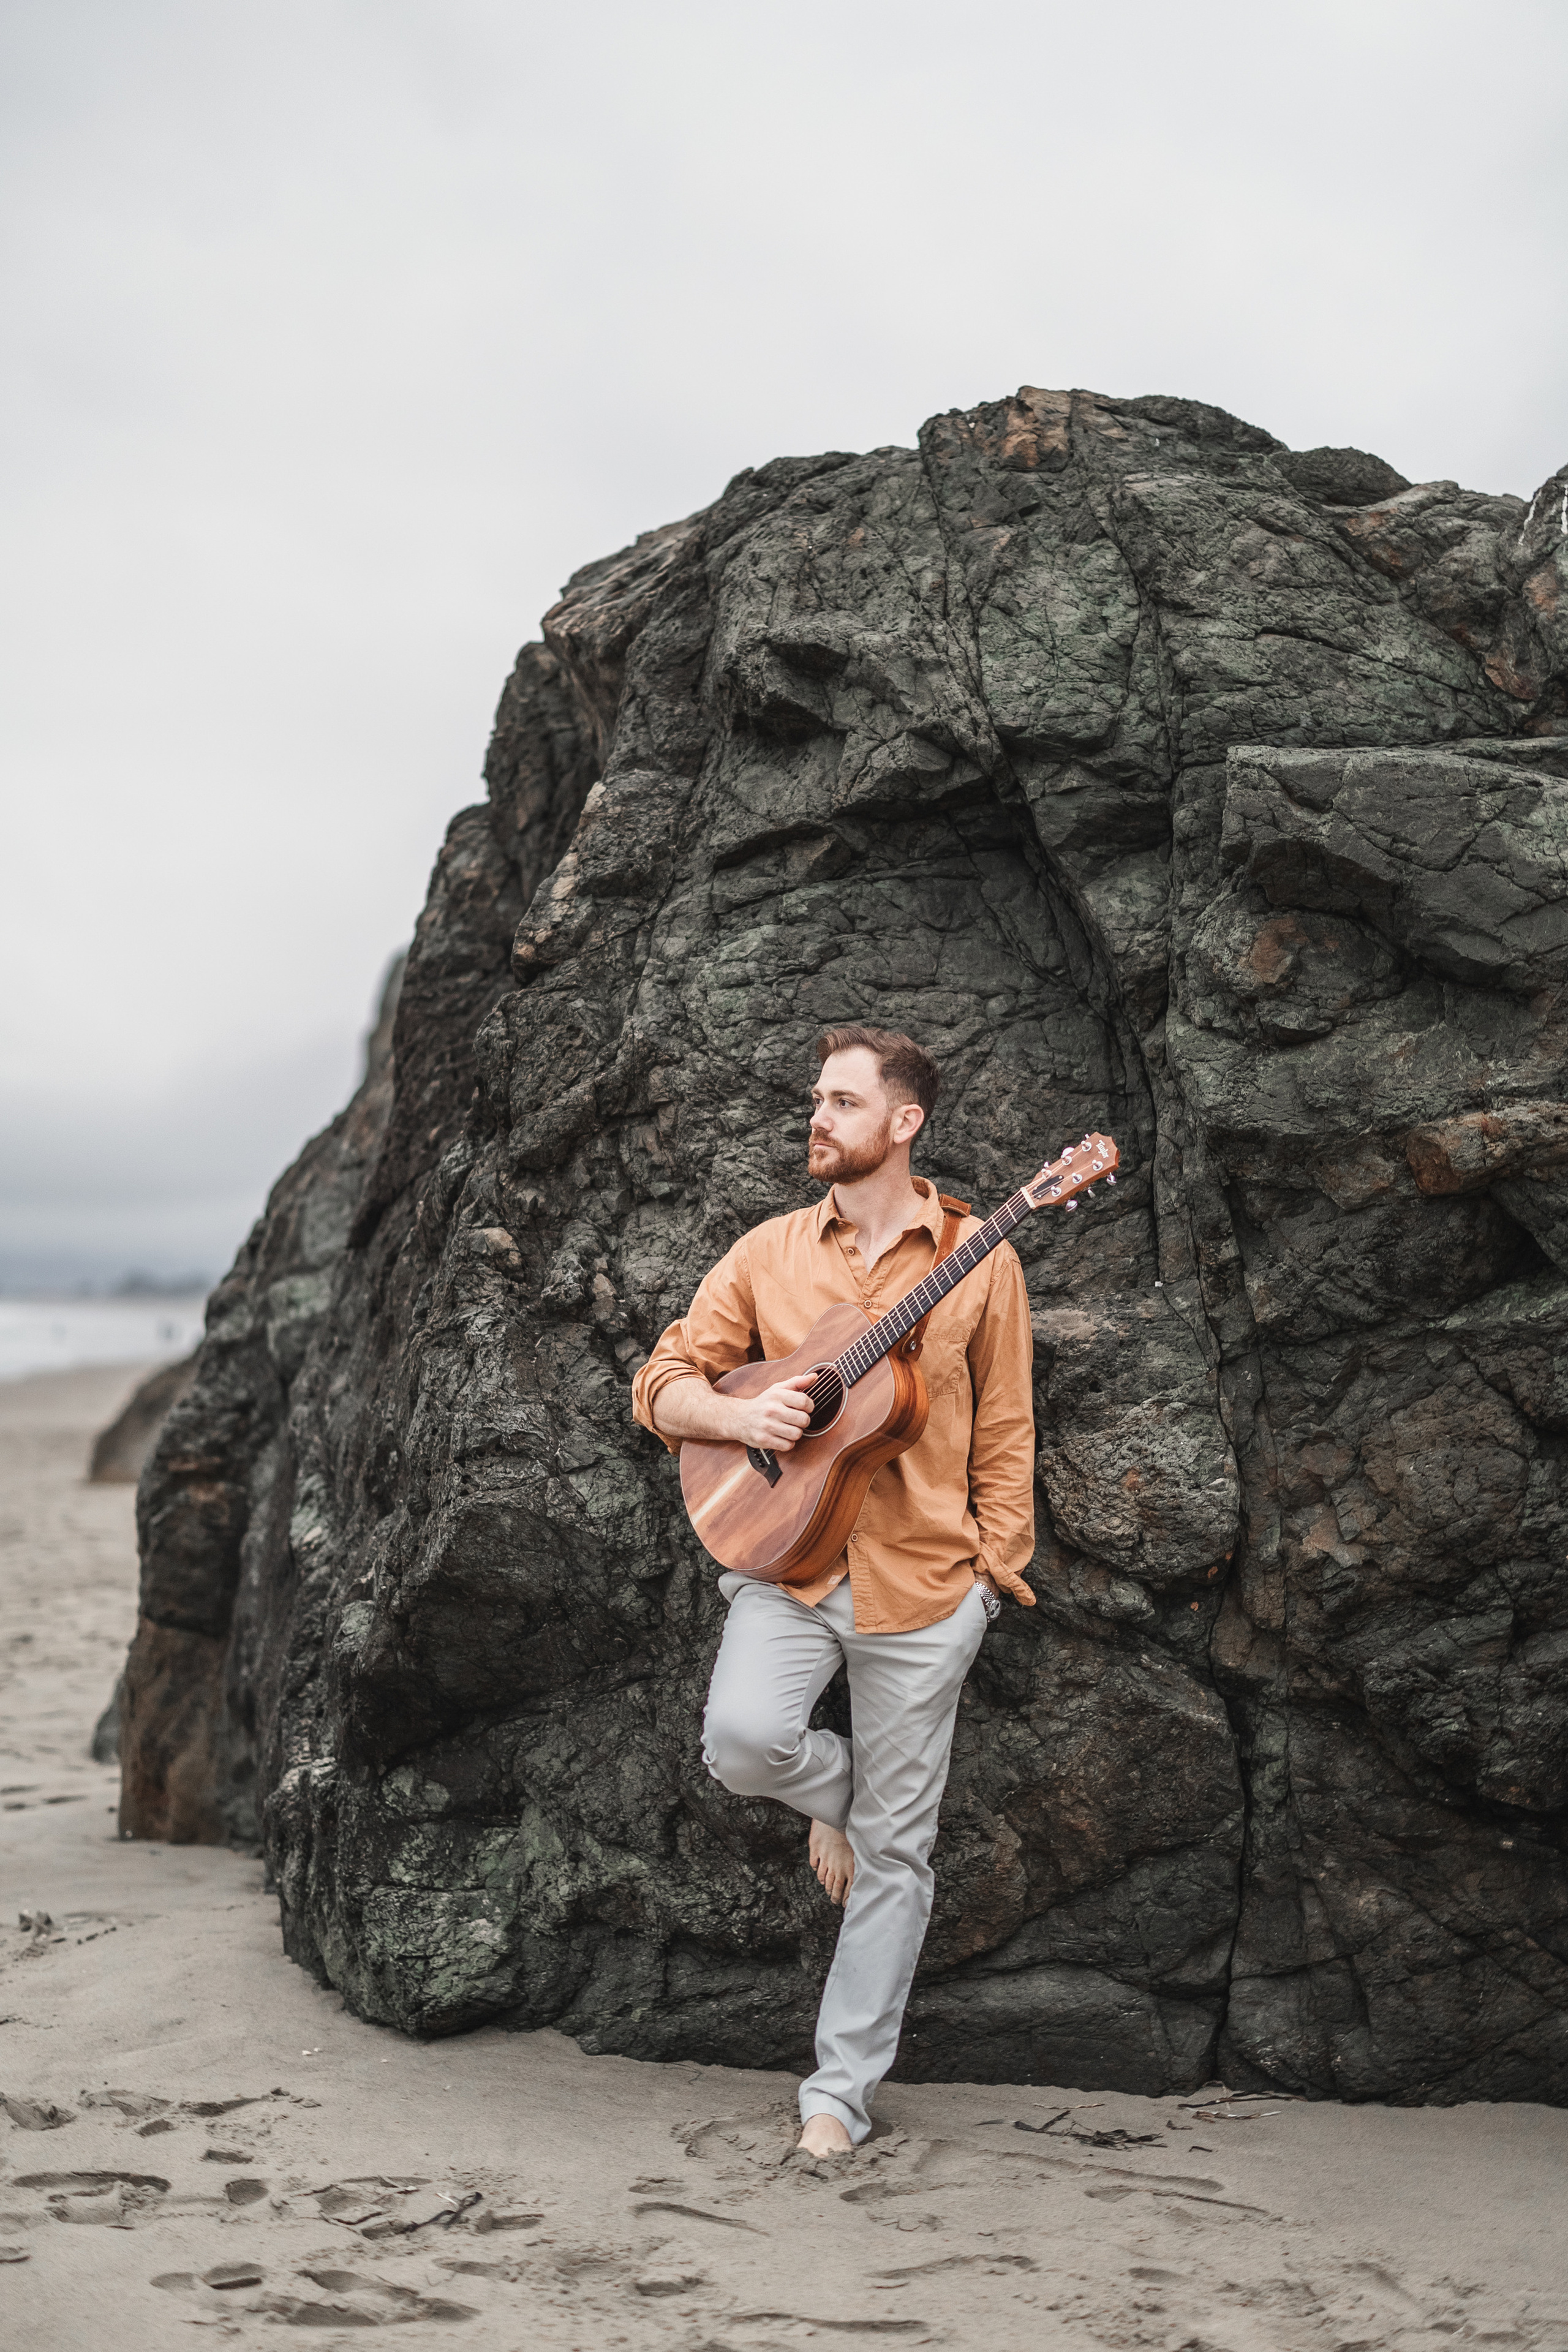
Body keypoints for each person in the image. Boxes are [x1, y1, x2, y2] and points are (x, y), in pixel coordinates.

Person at [630, 1024, 1036, 2156]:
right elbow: (662, 1381)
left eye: (844, 1103)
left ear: (905, 1124)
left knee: (899, 1859)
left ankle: (836, 2098)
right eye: (817, 1099)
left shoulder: (980, 1257)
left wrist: (992, 1579)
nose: (819, 1118)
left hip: (924, 1587)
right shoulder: (766, 1255)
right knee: (744, 1741)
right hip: (788, 1566)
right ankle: (837, 1792)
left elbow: (1006, 1430)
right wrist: (737, 1416)